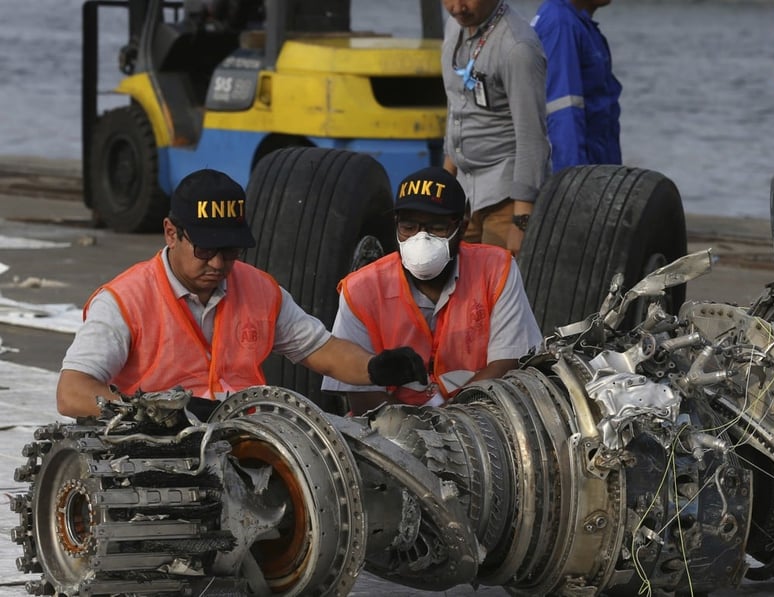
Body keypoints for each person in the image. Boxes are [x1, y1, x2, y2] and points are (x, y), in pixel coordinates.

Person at [56, 169, 426, 420]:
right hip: (159, 448)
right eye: (205, 250)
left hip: (246, 438)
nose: (218, 263)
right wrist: (159, 413)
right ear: (171, 233)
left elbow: (323, 351)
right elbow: (72, 393)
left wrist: (375, 368)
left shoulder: (260, 289)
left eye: (230, 251)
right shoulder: (124, 300)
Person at [322, 166, 543, 415]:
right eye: (409, 227)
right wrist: (420, 428)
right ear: (395, 226)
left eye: (437, 228)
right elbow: (360, 394)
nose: (421, 239)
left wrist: (452, 422)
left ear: (462, 226)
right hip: (388, 430)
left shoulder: (496, 269)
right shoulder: (361, 289)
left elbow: (508, 362)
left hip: (482, 420)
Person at [441, 0, 551, 256]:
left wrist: (521, 221)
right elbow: (456, 107)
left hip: (504, 199)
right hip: (463, 191)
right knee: (457, 286)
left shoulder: (517, 48)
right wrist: (445, 182)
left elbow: (532, 136)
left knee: (497, 290)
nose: (457, 8)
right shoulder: (454, 28)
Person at [532, 0, 622, 173]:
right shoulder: (560, 25)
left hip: (599, 170)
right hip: (579, 176)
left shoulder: (578, 24)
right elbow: (562, 112)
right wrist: (573, 184)